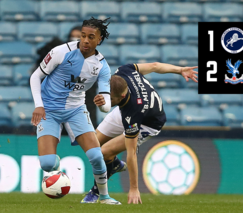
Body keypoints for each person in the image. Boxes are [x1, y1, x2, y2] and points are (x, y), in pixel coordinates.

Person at [30, 17, 121, 205]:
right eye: (83, 36)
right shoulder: (60, 52)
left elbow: (106, 105)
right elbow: (35, 77)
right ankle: (55, 167)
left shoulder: (102, 66)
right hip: (49, 110)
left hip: (76, 110)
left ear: (100, 40)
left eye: (91, 37)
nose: (85, 40)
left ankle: (103, 196)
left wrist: (101, 103)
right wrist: (38, 105)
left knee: (96, 155)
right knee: (47, 164)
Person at [81, 63, 198, 204]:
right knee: (92, 146)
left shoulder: (134, 111)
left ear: (122, 95)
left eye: (110, 99)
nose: (107, 101)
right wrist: (179, 69)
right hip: (123, 110)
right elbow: (154, 66)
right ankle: (115, 164)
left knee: (104, 152)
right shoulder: (124, 70)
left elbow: (131, 153)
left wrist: (134, 188)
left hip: (147, 123)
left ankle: (95, 191)